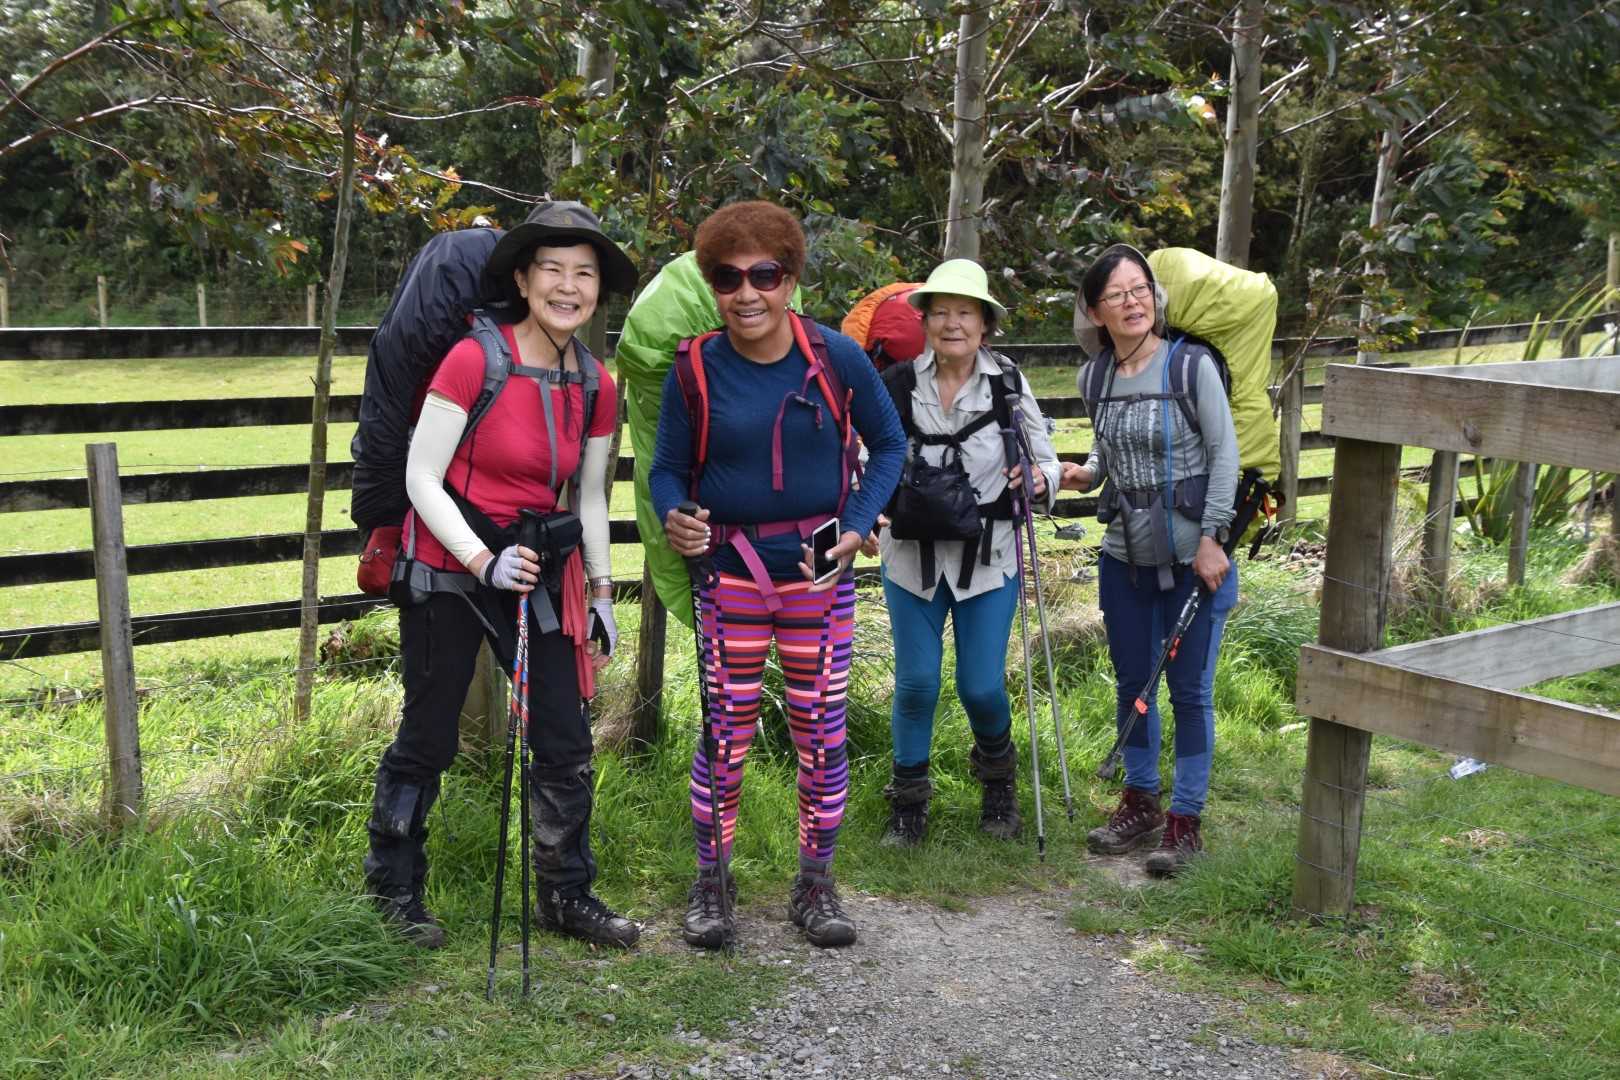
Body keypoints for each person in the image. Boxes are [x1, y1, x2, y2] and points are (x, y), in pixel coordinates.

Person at [362, 201, 641, 948]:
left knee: (564, 736)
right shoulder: (472, 359)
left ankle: (566, 895)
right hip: (449, 565)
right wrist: (483, 559)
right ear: (521, 278)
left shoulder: (595, 383)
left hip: (540, 570)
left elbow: (587, 496)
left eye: (584, 273)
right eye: (552, 268)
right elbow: (423, 477)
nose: (568, 286)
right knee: (428, 734)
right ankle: (393, 891)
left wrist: (605, 591)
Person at [651, 200, 906, 950]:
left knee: (819, 734)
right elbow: (667, 469)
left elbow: (887, 446)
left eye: (765, 273)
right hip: (725, 576)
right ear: (713, 286)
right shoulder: (694, 366)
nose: (747, 292)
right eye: (728, 277)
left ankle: (816, 885)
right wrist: (675, 514)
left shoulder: (835, 357)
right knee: (723, 735)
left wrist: (857, 524)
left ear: (791, 279)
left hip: (817, 577)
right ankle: (712, 885)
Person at [1060, 243, 1239, 877]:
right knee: (1133, 683)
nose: (1132, 302)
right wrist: (1081, 474)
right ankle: (1139, 801)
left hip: (1196, 558)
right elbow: (1109, 458)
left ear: (1155, 298)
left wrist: (1214, 537)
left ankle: (1184, 820)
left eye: (1140, 290)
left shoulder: (1191, 367)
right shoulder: (1095, 378)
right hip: (1123, 556)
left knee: (1189, 690)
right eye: (1117, 294)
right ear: (1095, 310)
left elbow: (1224, 455)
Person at [870, 259, 1060, 847]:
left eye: (966, 312)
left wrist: (1036, 479)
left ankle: (999, 786)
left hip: (989, 556)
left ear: (984, 324)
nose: (953, 323)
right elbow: (867, 458)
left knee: (980, 685)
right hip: (910, 558)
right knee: (917, 683)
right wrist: (870, 505)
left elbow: (1047, 459)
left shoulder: (1006, 384)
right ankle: (908, 806)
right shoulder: (899, 383)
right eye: (942, 312)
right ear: (925, 320)